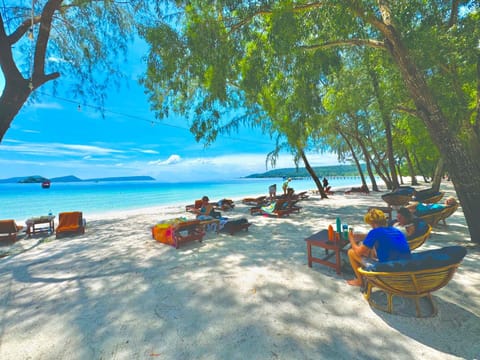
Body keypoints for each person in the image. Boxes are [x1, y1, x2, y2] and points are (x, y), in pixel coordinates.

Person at [347, 208, 411, 286]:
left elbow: (358, 252)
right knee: (369, 249)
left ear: (373, 223)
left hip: (389, 269)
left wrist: (351, 239)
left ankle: (360, 281)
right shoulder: (396, 230)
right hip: (404, 267)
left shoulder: (375, 232)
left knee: (351, 252)